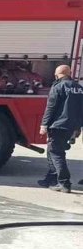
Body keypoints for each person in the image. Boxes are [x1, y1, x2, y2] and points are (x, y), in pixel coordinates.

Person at [37, 65, 83, 193]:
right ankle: (51, 179)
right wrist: (78, 127)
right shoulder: (79, 88)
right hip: (71, 126)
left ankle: (64, 183)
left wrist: (44, 125)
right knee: (53, 152)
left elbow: (51, 107)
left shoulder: (58, 87)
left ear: (57, 75)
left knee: (56, 153)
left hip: (58, 125)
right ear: (69, 73)